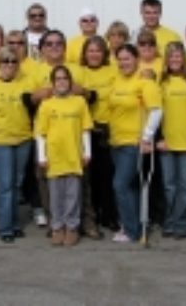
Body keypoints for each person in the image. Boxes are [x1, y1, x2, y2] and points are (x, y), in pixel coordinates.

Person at [0, 46, 35, 243]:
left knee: (17, 183)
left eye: (13, 61)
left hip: (23, 139)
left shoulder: (26, 82)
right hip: (1, 141)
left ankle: (15, 223)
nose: (10, 65)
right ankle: (5, 228)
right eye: (5, 61)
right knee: (5, 185)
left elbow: (33, 108)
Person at [108, 44, 162, 243]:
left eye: (127, 59)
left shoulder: (145, 82)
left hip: (133, 143)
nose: (123, 63)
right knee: (129, 186)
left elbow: (156, 110)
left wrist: (147, 136)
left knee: (120, 185)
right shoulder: (116, 80)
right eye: (120, 59)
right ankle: (133, 225)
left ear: (136, 59)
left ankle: (131, 230)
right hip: (116, 141)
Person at [36, 65, 94, 246]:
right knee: (56, 195)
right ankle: (57, 227)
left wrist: (87, 151)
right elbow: (40, 133)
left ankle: (72, 227)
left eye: (65, 78)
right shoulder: (46, 105)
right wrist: (42, 156)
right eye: (58, 79)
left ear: (70, 82)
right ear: (52, 84)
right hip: (54, 157)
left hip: (74, 155)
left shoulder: (79, 102)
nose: (61, 82)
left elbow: (85, 129)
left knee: (73, 194)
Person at [158, 42, 186, 239]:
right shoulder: (161, 83)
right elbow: (154, 112)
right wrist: (158, 138)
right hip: (167, 142)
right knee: (169, 186)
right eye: (171, 56)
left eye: (178, 56)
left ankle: (184, 223)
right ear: (166, 60)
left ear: (184, 58)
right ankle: (170, 222)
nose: (175, 60)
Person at [80, 35, 118, 232]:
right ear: (85, 53)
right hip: (88, 129)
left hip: (108, 128)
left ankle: (109, 214)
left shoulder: (113, 70)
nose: (94, 54)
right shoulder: (80, 72)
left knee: (108, 175)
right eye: (90, 51)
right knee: (90, 177)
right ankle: (91, 216)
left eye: (98, 50)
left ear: (104, 53)